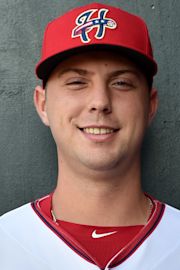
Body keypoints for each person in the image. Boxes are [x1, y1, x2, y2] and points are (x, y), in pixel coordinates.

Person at [0, 2, 180, 270]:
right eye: (76, 82)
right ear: (43, 105)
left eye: (121, 82)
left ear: (150, 105)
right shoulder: (6, 242)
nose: (100, 101)